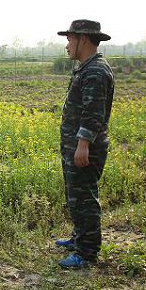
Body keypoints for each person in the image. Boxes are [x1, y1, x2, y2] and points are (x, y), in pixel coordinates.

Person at [54, 20, 115, 269]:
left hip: (85, 147)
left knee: (84, 198)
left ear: (84, 39)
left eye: (70, 39)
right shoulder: (86, 67)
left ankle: (87, 253)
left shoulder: (96, 71)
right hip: (76, 145)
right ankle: (80, 238)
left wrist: (83, 145)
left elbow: (93, 113)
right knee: (75, 196)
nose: (67, 44)